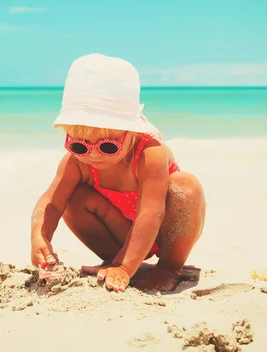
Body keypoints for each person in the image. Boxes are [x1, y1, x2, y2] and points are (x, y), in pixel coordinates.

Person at [30, 53, 207, 292]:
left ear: (132, 133)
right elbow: (51, 202)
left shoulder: (150, 153)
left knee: (186, 185)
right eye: (79, 145)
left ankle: (167, 269)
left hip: (167, 232)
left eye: (107, 146)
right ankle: (119, 262)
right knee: (71, 195)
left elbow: (150, 214)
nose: (92, 154)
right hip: (121, 236)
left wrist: (125, 268)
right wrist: (40, 236)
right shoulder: (76, 163)